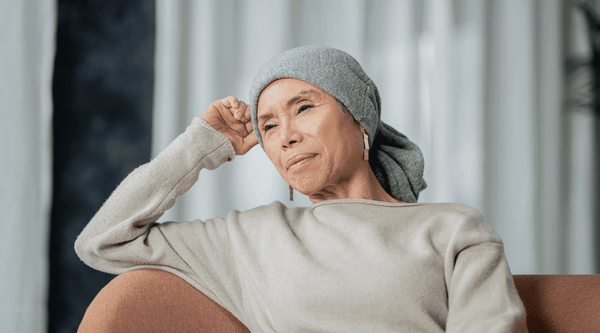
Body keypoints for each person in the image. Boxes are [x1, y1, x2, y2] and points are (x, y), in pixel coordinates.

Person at [75, 45, 528, 332]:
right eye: (268, 126)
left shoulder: (452, 229)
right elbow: (101, 242)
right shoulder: (249, 239)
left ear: (358, 118)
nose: (286, 135)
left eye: (304, 108)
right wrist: (203, 145)